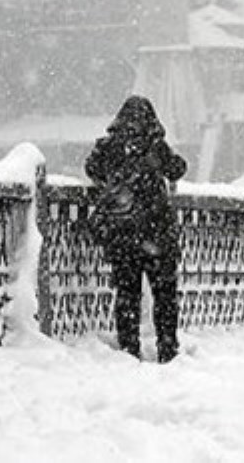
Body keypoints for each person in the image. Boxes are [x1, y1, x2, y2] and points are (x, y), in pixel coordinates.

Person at [85, 95, 188, 363]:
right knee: (164, 295)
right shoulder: (155, 147)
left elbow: (91, 168)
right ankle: (167, 347)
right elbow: (177, 169)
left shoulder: (109, 147)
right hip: (157, 234)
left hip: (123, 235)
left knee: (127, 295)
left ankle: (129, 349)